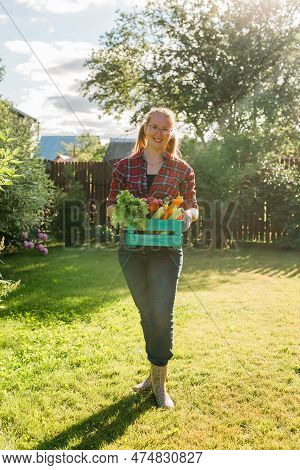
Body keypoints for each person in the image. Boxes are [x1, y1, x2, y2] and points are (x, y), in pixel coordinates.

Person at [106, 107, 199, 409]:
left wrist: (186, 216)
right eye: (154, 127)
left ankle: (160, 384)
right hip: (131, 250)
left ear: (171, 133)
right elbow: (110, 207)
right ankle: (152, 372)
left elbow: (194, 206)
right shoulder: (124, 166)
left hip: (166, 251)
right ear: (145, 129)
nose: (159, 134)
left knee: (161, 313)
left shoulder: (182, 170)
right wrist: (120, 214)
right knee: (146, 313)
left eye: (165, 129)